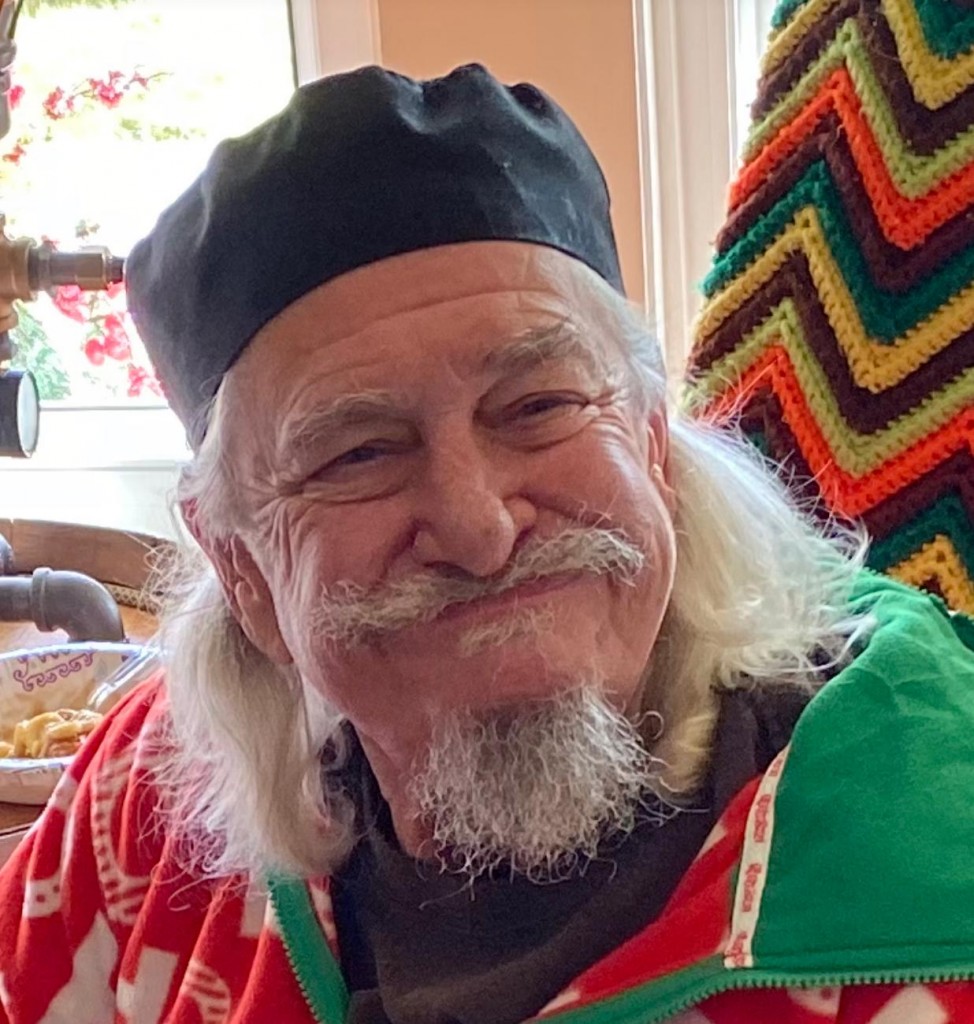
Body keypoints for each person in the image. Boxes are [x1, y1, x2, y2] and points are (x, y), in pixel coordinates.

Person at [1, 63, 974, 1024]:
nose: (480, 529)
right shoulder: (146, 806)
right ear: (240, 566)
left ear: (650, 443)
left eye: (539, 405)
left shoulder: (934, 897)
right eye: (358, 453)